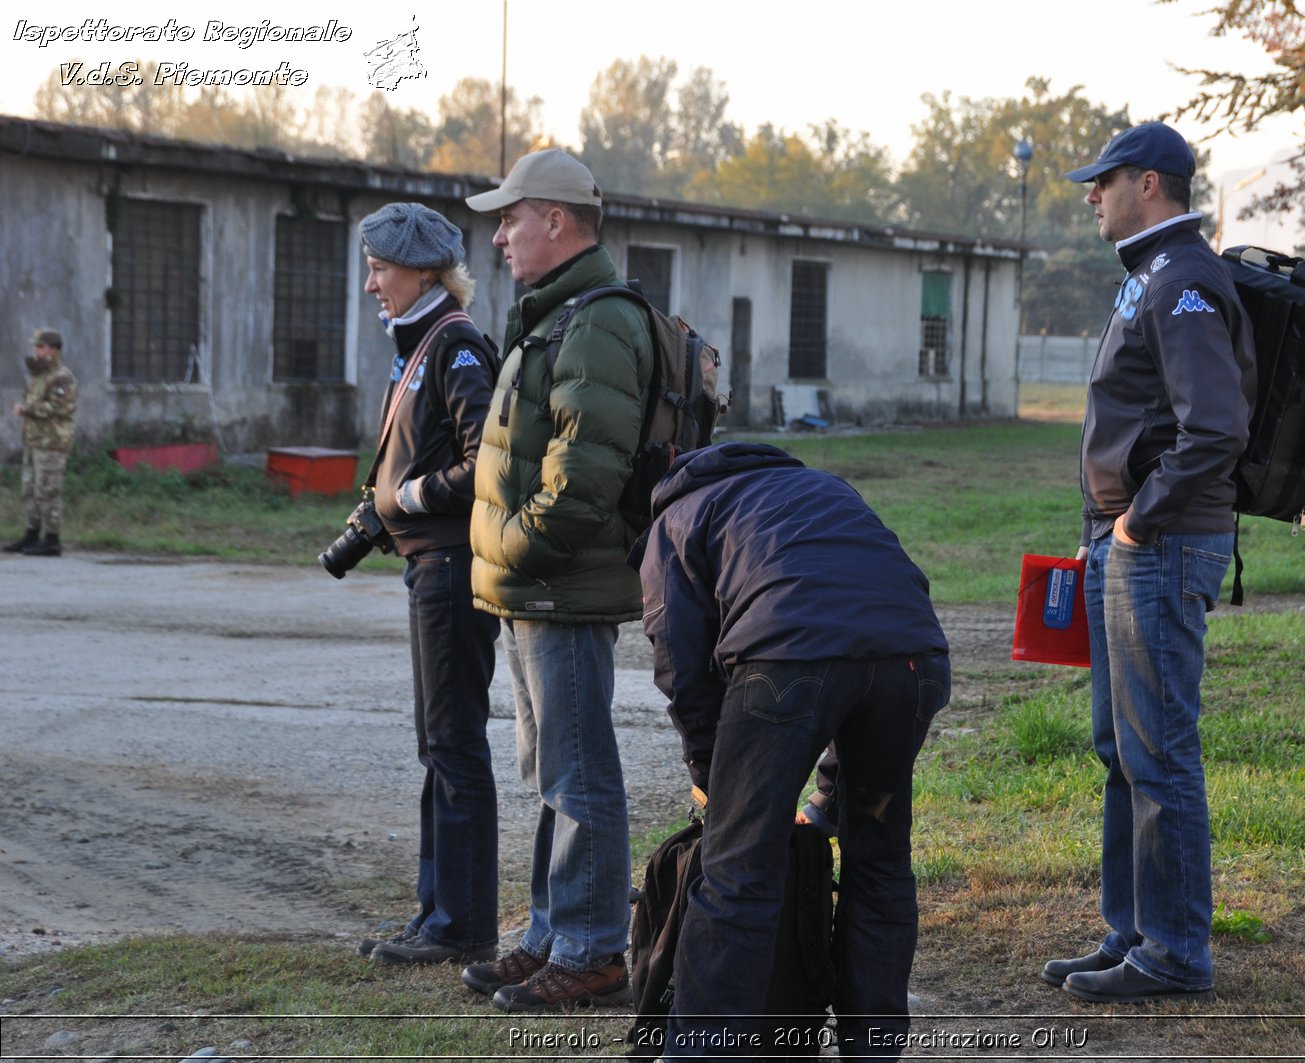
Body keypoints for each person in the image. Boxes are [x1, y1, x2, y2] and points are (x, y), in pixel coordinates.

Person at [633, 440, 952, 1060]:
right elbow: (873, 623)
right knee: (881, 862)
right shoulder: (822, 488)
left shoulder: (673, 519)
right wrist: (831, 794)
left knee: (737, 870)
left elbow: (681, 666)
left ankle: (703, 1052)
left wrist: (710, 772)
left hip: (788, 664)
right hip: (917, 660)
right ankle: (875, 1048)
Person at [1040, 123, 1255, 1003]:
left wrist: (1135, 523)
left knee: (1158, 749)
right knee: (1121, 747)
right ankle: (1131, 930)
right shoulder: (1149, 276)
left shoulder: (1184, 281)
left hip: (1159, 545)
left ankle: (1174, 950)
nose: (1092, 193)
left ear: (1153, 185)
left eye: (1106, 179)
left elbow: (1216, 429)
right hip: (1125, 539)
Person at [460, 149, 652, 1011]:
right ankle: (548, 932)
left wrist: (516, 546)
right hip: (532, 586)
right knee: (551, 772)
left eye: (511, 218)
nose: (498, 235)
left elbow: (583, 479)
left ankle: (591, 948)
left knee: (579, 776)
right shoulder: (556, 313)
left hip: (558, 583)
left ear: (558, 222)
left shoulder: (598, 322)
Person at [350, 202, 503, 967]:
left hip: (452, 567)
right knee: (437, 744)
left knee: (453, 743)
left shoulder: (456, 345)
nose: (371, 283)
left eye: (380, 269)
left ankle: (462, 924)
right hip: (430, 565)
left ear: (421, 271)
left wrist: (406, 499)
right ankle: (437, 910)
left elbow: (485, 465)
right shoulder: (422, 344)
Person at [6, 328, 77, 557]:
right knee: (30, 489)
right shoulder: (41, 376)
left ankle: (52, 540)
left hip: (52, 442)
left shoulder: (62, 378)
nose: (35, 351)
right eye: (35, 347)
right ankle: (31, 533)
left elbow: (60, 407)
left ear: (53, 350)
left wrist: (26, 409)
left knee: (48, 491)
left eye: (40, 347)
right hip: (34, 440)